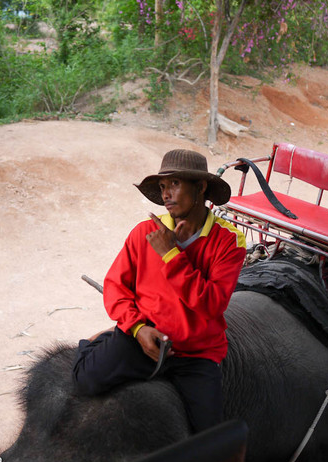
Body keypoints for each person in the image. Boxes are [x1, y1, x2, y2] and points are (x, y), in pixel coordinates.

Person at [72, 149, 246, 433]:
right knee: (84, 380)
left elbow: (212, 304)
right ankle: (100, 340)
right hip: (145, 339)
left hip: (195, 353)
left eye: (175, 184)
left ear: (201, 187)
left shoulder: (228, 242)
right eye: (163, 187)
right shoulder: (143, 233)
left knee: (208, 437)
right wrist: (138, 328)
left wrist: (171, 255)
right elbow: (115, 287)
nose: (166, 194)